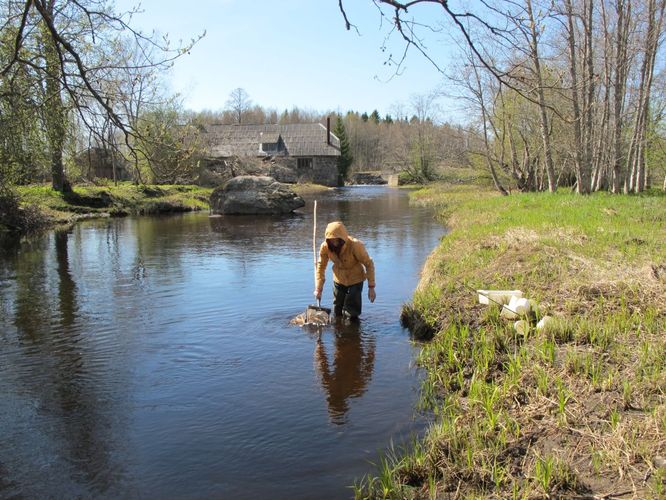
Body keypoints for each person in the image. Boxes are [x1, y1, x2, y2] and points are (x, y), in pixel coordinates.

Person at [314, 221, 376, 320]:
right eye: (331, 240)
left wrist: (371, 287)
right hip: (339, 278)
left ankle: (352, 331)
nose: (334, 243)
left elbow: (369, 264)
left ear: (342, 238)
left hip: (356, 279)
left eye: (336, 240)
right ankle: (338, 331)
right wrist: (318, 289)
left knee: (352, 312)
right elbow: (321, 267)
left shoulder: (355, 245)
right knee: (337, 309)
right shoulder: (325, 247)